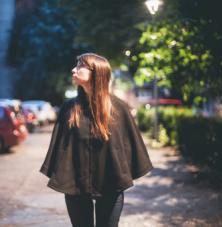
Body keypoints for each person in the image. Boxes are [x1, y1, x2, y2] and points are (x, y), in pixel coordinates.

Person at [39, 53, 153, 227]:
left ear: (96, 72)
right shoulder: (69, 108)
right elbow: (60, 149)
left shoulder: (119, 109)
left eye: (79, 66)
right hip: (75, 186)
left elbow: (129, 148)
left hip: (111, 185)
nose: (73, 70)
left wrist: (124, 173)